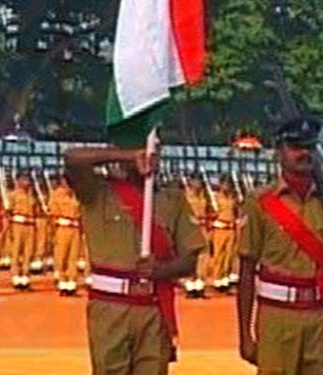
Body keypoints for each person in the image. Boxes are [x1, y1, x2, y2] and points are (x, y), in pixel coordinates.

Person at [236, 116, 323, 375]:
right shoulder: (260, 203)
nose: (304, 153)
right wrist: (245, 335)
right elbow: (246, 272)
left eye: (310, 146)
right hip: (276, 318)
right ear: (279, 152)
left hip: (319, 317)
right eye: (295, 146)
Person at [64, 142, 204, 375]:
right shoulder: (99, 192)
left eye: (154, 150)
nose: (149, 156)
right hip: (111, 306)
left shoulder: (172, 199)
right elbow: (73, 159)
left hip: (153, 307)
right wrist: (126, 154)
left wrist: (162, 270)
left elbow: (189, 260)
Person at [49, 172, 83, 296]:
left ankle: (71, 284)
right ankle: (62, 283)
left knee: (73, 257)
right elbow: (53, 212)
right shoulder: (57, 194)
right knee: (62, 256)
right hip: (63, 227)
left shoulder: (78, 194)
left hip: (75, 228)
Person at [8, 171, 38, 290]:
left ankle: (25, 276)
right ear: (18, 181)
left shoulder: (32, 196)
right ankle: (15, 276)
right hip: (18, 224)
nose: (26, 182)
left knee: (28, 252)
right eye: (23, 179)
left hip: (30, 225)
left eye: (27, 179)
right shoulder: (13, 195)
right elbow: (8, 212)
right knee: (16, 251)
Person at [210, 176, 239, 292]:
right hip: (220, 229)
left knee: (229, 255)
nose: (226, 186)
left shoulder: (234, 198)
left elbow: (236, 212)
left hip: (231, 229)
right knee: (218, 255)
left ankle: (225, 279)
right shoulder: (215, 198)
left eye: (228, 184)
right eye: (224, 184)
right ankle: (217, 279)